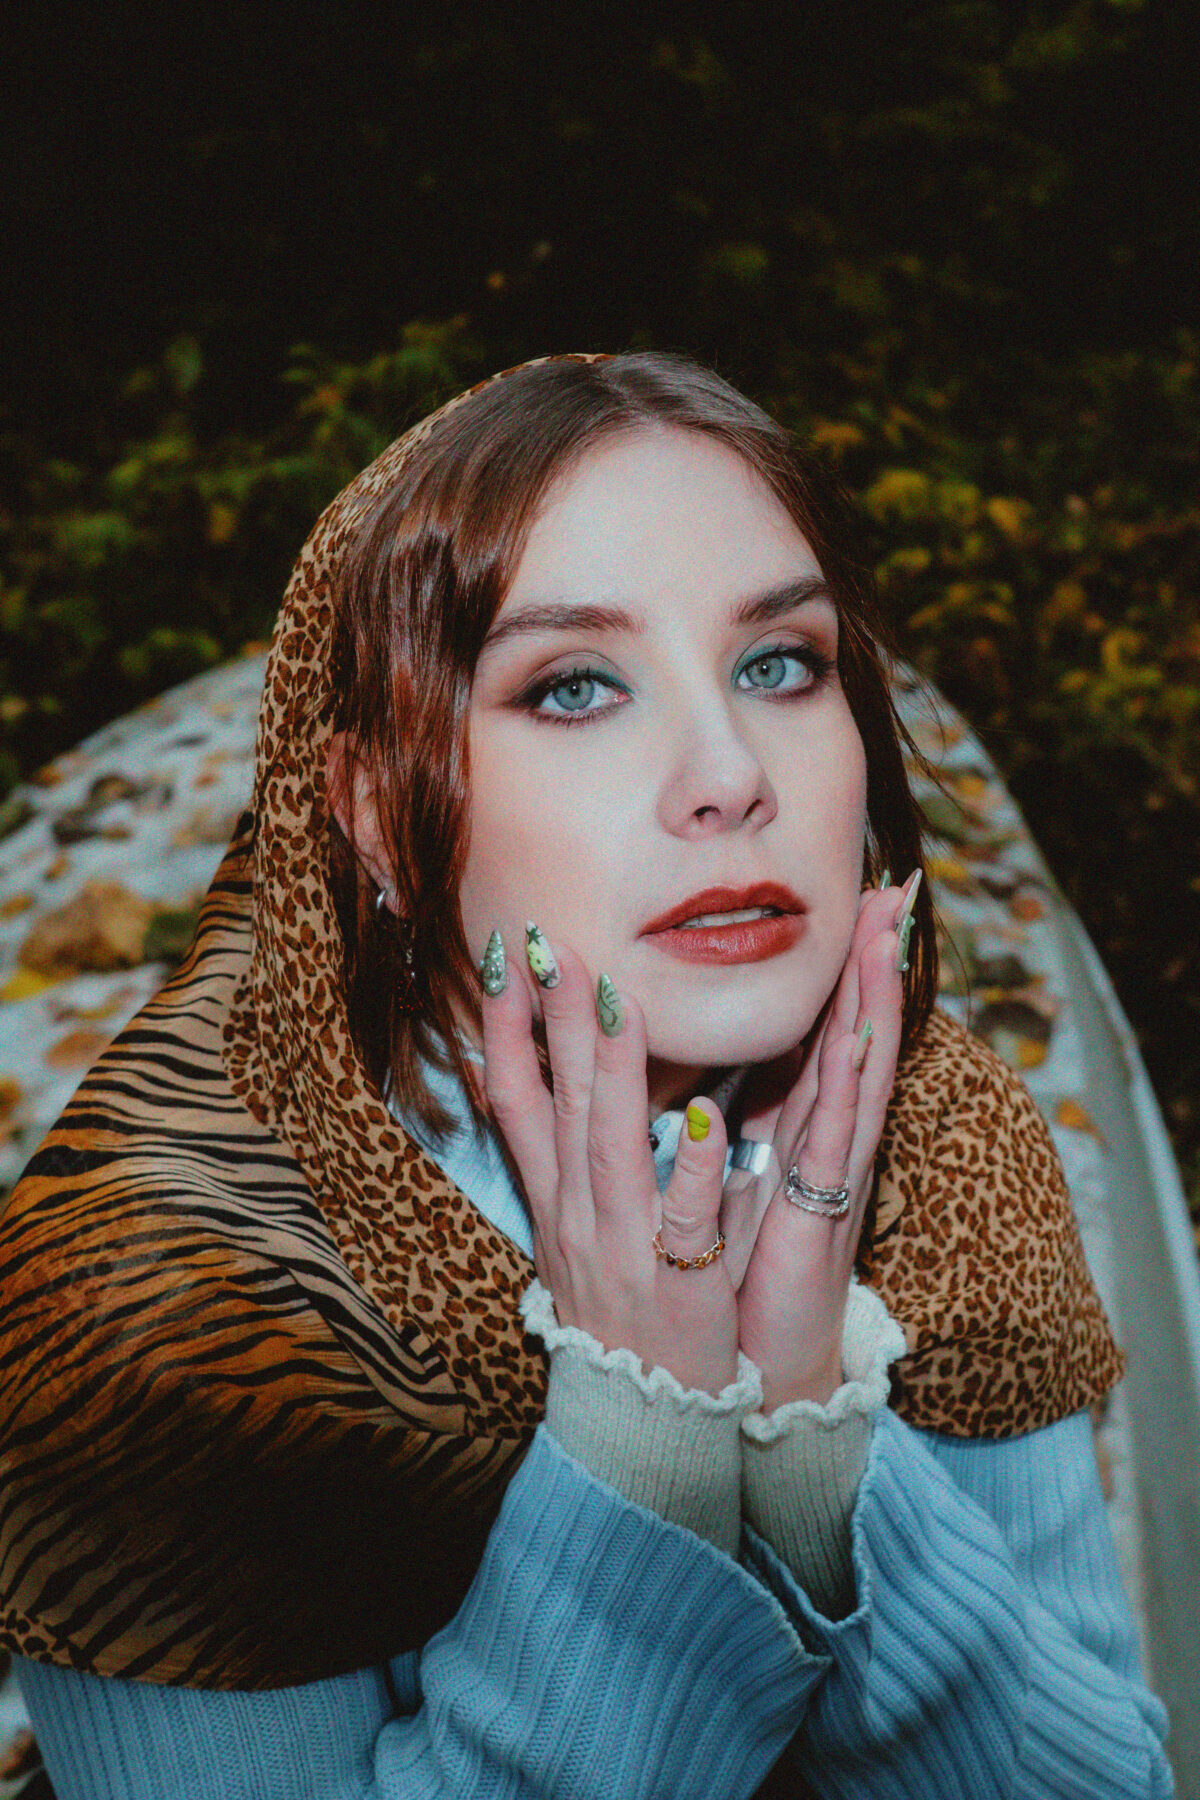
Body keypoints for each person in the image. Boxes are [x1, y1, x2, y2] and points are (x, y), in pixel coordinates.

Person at [0, 352, 1173, 1798]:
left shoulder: (935, 1138)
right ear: (374, 813)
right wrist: (645, 1448)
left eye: (780, 662)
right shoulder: (167, 1292)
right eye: (573, 687)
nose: (730, 770)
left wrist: (812, 1441)